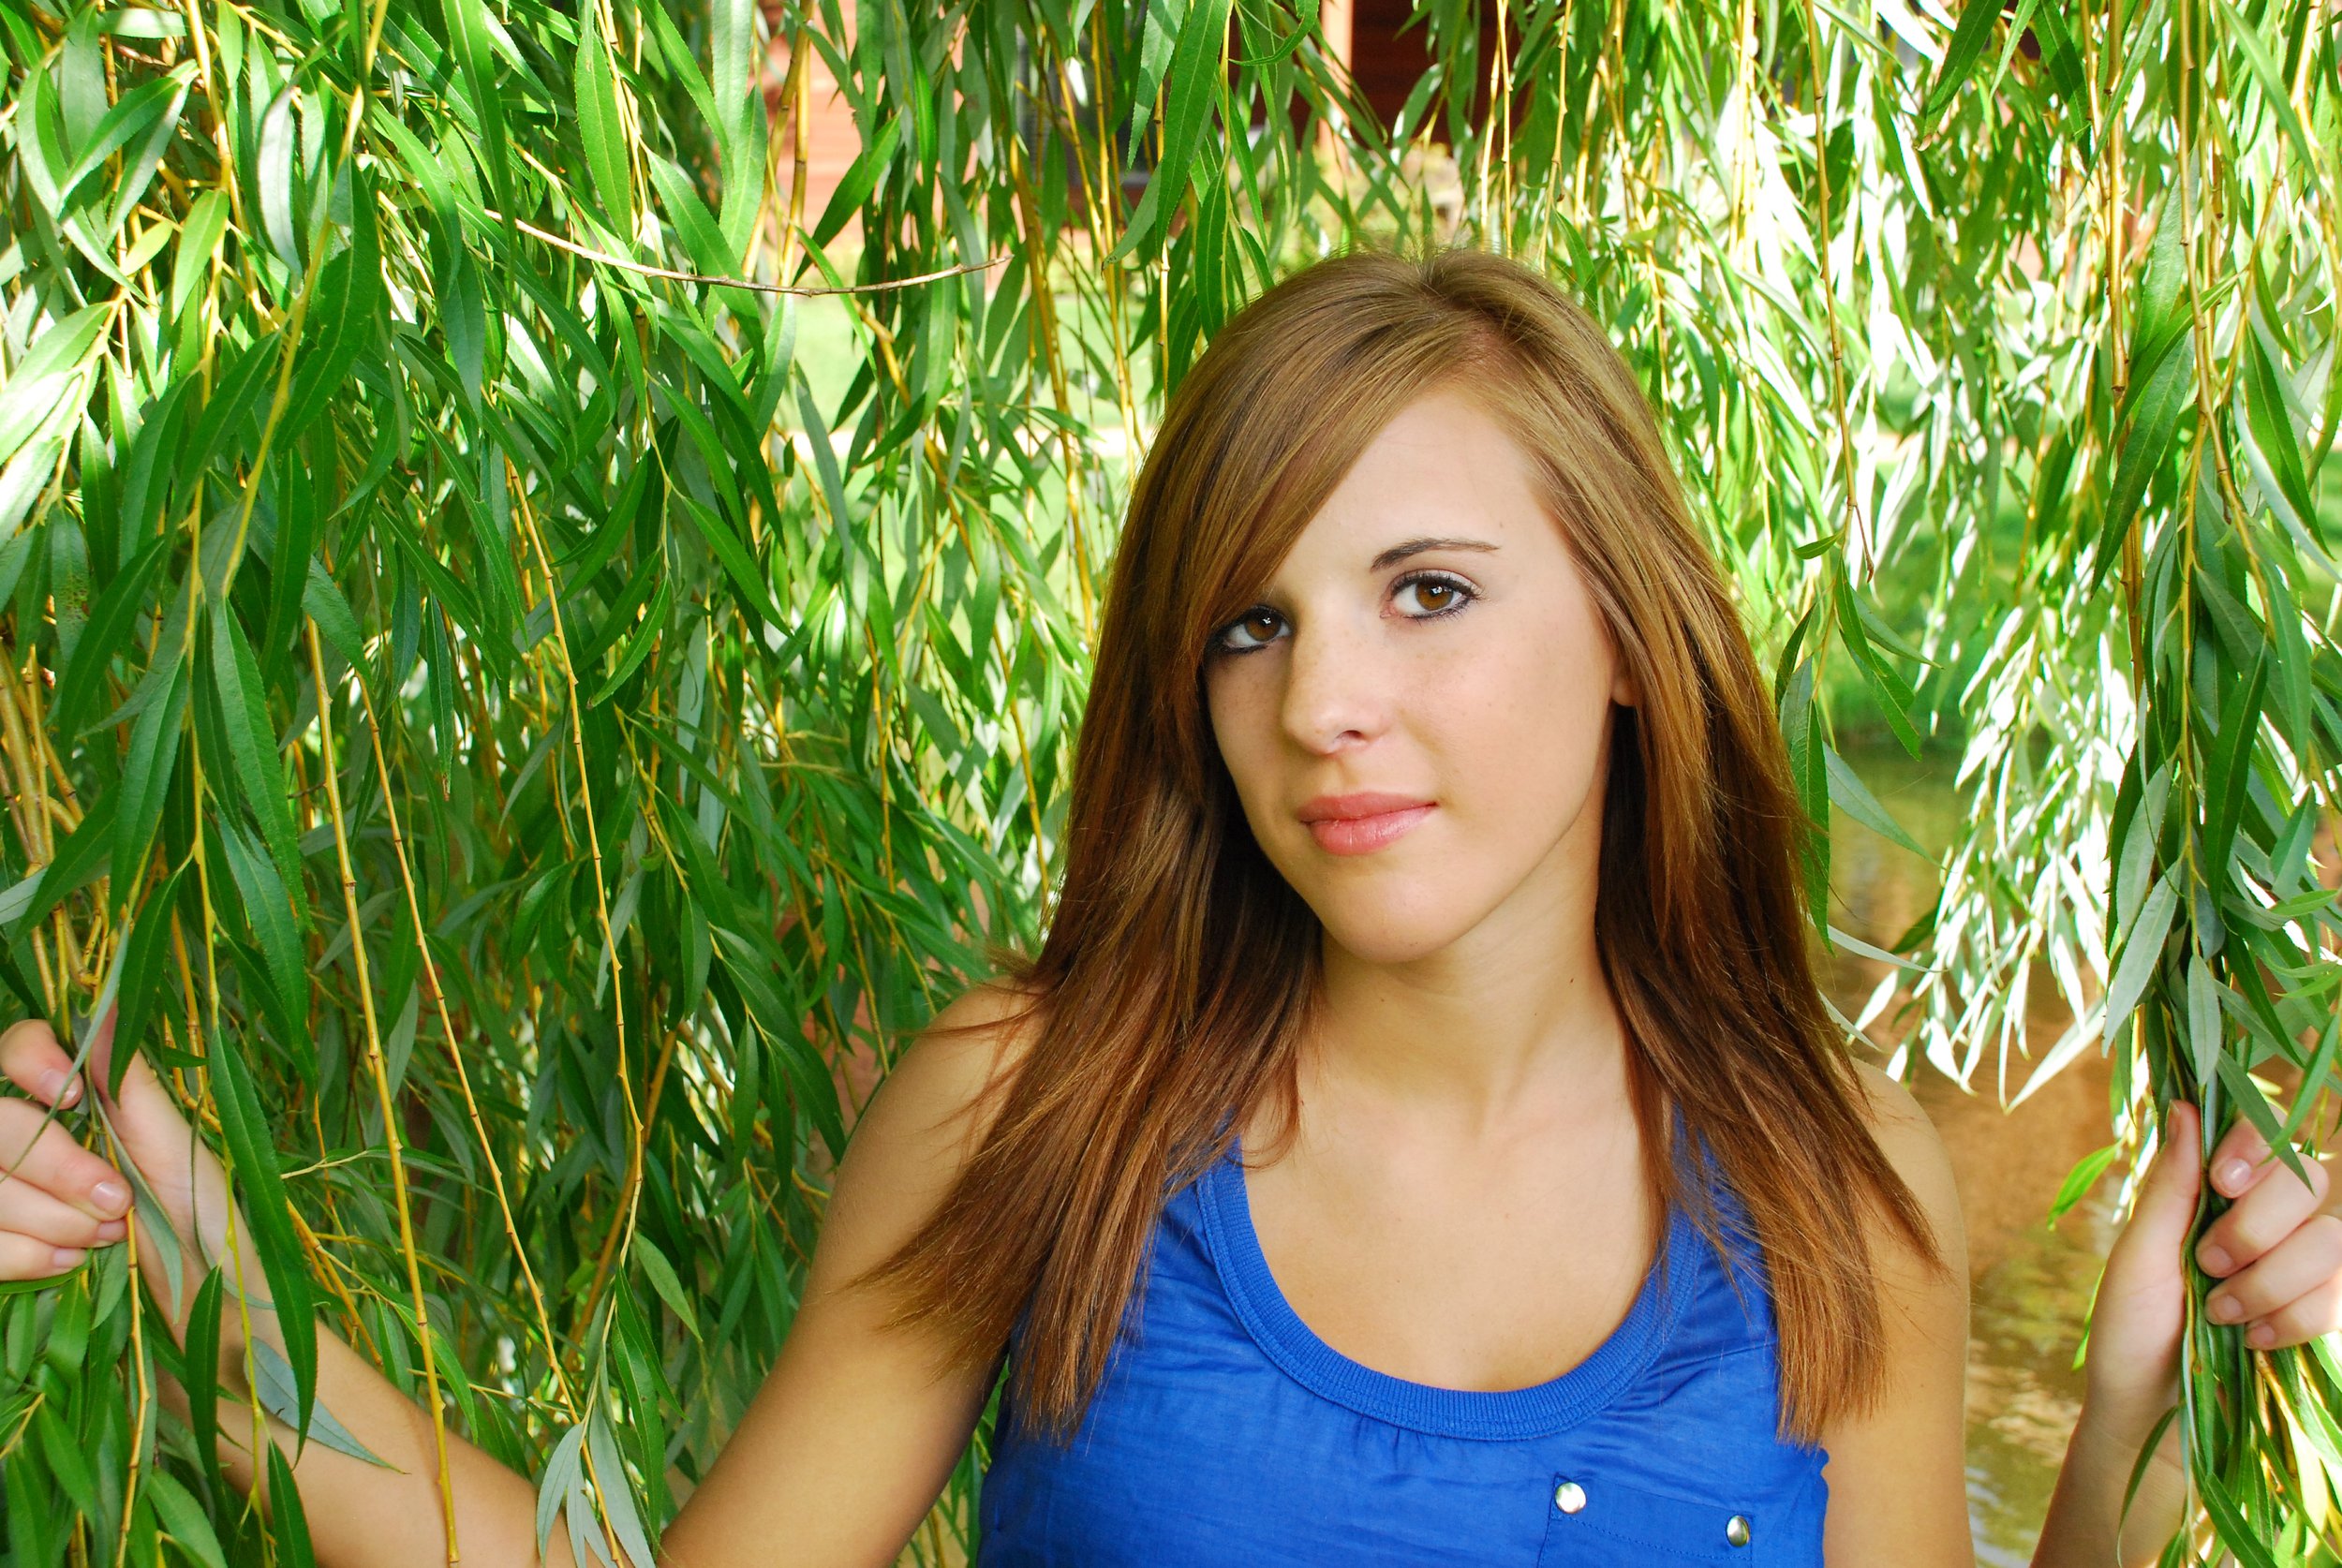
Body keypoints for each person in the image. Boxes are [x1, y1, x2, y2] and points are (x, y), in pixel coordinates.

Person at [3, 247, 2338, 1567]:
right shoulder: (1046, 1109)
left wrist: (2135, 1413)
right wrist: (193, 1277)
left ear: (1629, 637)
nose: (1321, 701)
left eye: (1427, 592)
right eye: (1248, 622)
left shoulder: (1841, 1191)